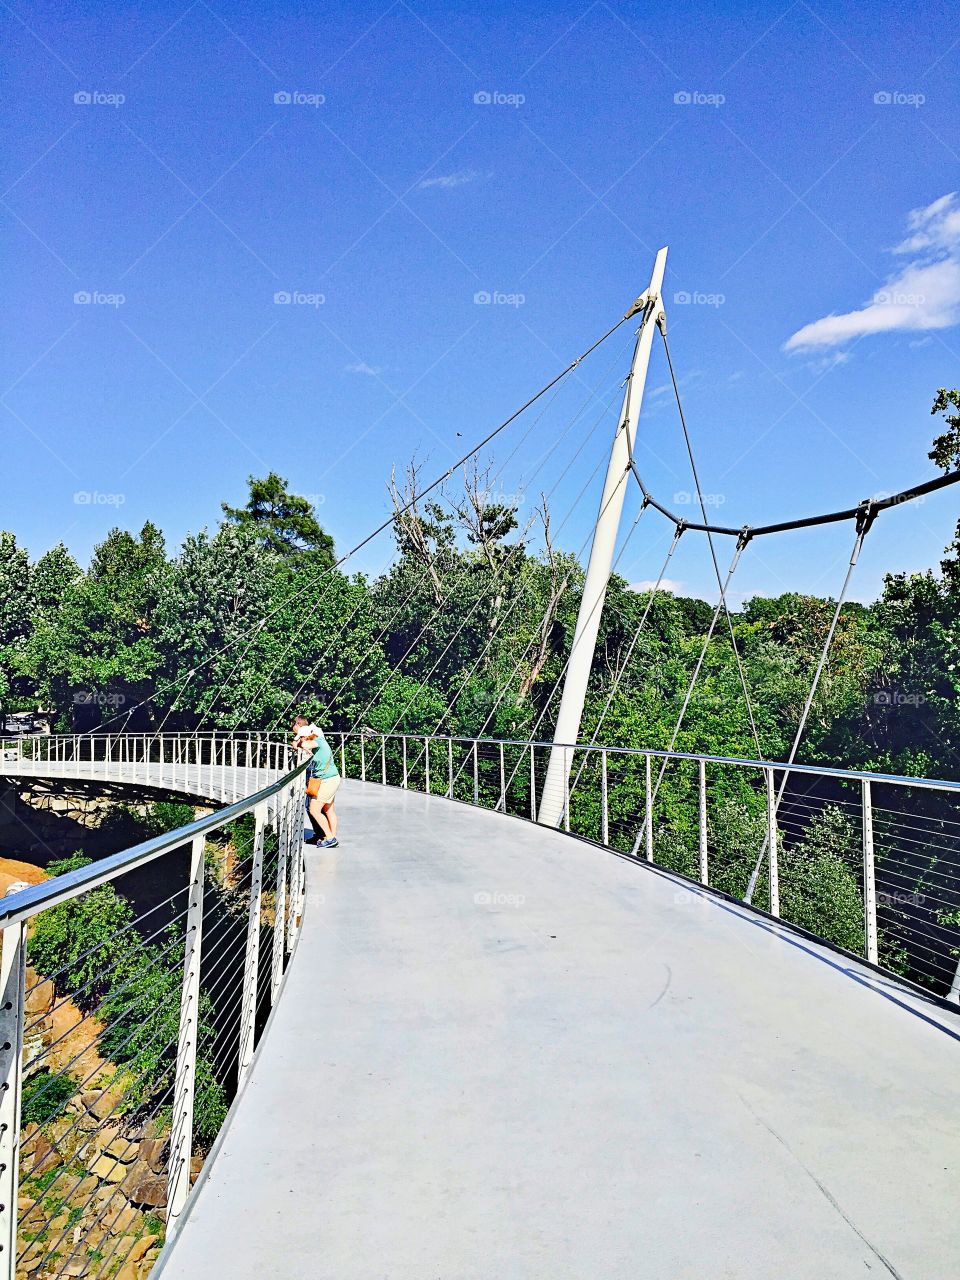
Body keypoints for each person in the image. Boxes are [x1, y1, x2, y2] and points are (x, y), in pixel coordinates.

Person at [292, 715, 341, 848]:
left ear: (307, 736)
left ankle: (330, 838)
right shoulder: (318, 741)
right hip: (331, 778)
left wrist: (299, 741)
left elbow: (304, 744)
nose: (301, 739)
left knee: (314, 809)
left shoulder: (318, 741)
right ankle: (332, 836)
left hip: (328, 780)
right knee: (328, 809)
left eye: (302, 736)